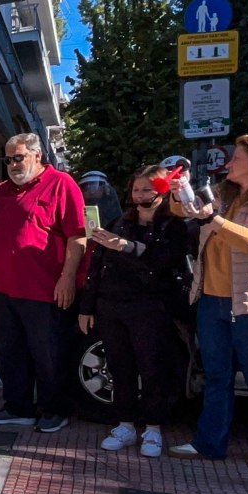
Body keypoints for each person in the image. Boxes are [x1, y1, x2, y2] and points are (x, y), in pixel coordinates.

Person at [168, 132, 248, 470]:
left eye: (237, 157)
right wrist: (180, 193)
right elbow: (185, 211)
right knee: (217, 376)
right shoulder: (226, 192)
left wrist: (213, 219)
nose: (229, 162)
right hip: (212, 297)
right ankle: (209, 443)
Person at [0, 132, 86, 433]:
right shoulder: (2, 191)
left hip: (46, 289)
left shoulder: (62, 183)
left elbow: (78, 235)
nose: (12, 164)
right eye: (8, 159)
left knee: (48, 354)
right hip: (6, 288)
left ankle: (54, 409)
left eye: (18, 157)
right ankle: (18, 406)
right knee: (8, 353)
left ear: (36, 155)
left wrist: (68, 278)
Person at [78, 165, 189, 458]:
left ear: (161, 192)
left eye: (146, 190)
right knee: (119, 367)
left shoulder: (173, 226)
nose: (139, 196)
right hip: (112, 305)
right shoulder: (118, 222)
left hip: (151, 307)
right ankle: (125, 424)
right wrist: (87, 306)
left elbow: (162, 260)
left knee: (152, 367)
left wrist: (127, 247)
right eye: (135, 189)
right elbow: (96, 267)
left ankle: (153, 428)